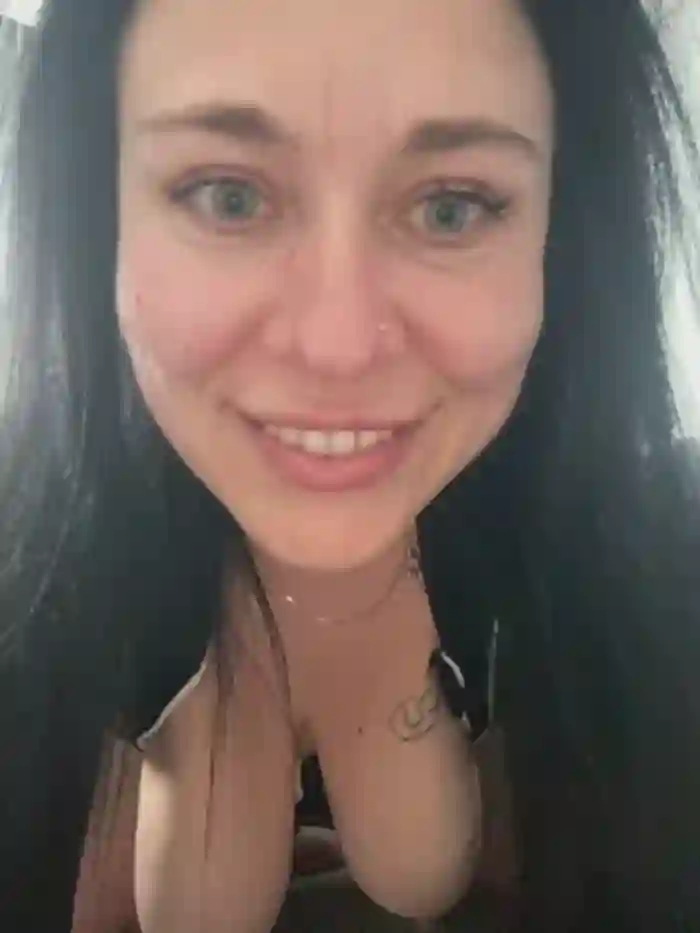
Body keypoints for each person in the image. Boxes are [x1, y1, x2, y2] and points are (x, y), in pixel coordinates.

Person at [0, 0, 698, 930]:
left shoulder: (648, 570)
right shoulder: (37, 567)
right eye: (228, 196)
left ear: (565, 235)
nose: (338, 349)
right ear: (98, 218)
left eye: (450, 207)